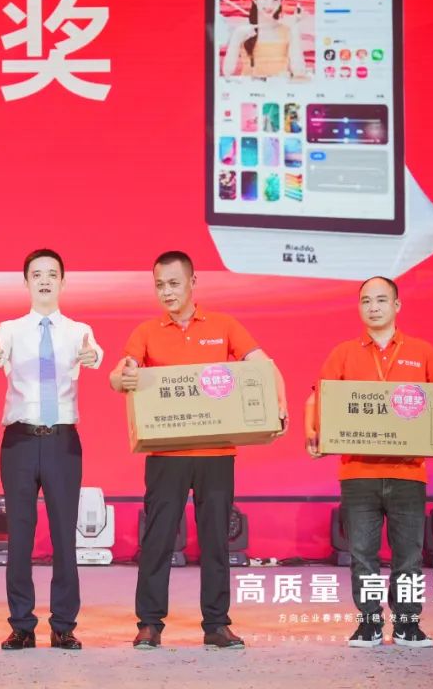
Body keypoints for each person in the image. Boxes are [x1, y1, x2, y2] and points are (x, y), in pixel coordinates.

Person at [109, 251, 287, 650]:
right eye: (159, 285)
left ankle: (216, 624)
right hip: (166, 455)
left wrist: (279, 402)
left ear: (193, 282)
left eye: (174, 283)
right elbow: (118, 376)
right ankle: (149, 624)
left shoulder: (224, 326)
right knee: (157, 540)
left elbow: (263, 365)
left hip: (216, 453)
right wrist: (124, 378)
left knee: (216, 542)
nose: (167, 292)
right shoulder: (146, 332)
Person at [307, 276, 433, 649]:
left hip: (408, 472)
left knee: (408, 556)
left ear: (397, 306)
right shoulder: (343, 353)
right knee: (362, 555)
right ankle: (369, 623)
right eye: (366, 300)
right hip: (358, 472)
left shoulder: (422, 352)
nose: (373, 307)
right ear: (359, 307)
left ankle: (408, 623)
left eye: (381, 300)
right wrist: (311, 432)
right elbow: (319, 398)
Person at [0, 248, 103, 651]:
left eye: (52, 274)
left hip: (62, 441)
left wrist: (92, 355)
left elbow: (95, 355)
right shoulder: (10, 329)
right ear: (27, 282)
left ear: (63, 281)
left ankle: (64, 625)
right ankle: (22, 625)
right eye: (37, 274)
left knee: (64, 535)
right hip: (19, 440)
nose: (45, 280)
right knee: (19, 535)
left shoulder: (79, 330)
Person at [223, 0, 306, 79]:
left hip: (278, 88)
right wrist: (236, 38)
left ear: (280, 2)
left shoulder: (287, 31)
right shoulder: (243, 31)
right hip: (249, 88)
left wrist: (295, 28)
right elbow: (227, 72)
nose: (269, 4)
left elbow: (299, 72)